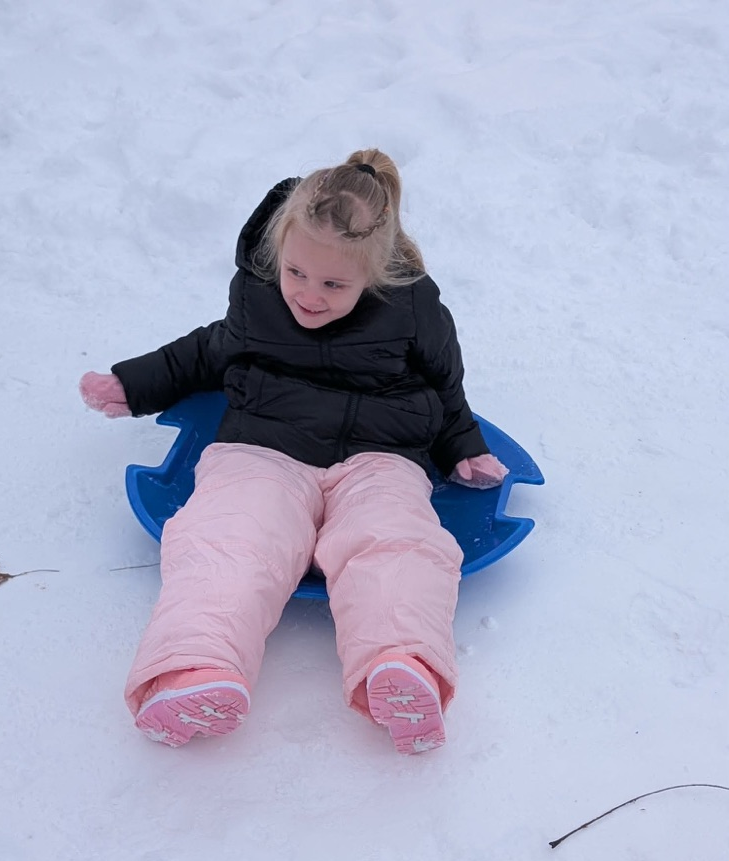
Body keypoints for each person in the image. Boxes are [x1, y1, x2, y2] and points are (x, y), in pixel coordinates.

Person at [80, 148, 508, 755]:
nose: (308, 295)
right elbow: (206, 352)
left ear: (375, 273)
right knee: (230, 534)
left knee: (395, 540)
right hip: (264, 444)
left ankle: (402, 665)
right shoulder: (258, 295)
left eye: (334, 284)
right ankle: (194, 669)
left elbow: (445, 386)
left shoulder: (414, 310)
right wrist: (134, 383)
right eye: (296, 274)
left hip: (379, 455)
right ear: (280, 252)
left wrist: (463, 445)